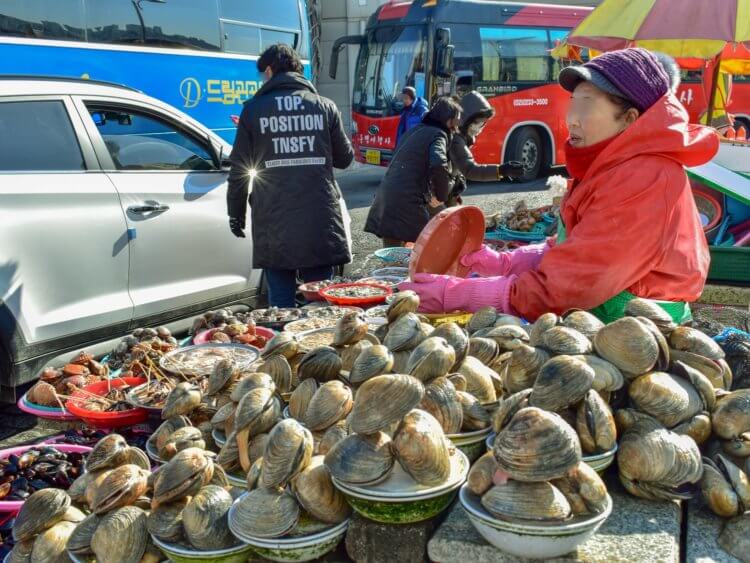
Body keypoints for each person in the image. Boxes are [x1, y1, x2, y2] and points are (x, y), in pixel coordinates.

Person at [400, 48, 719, 323]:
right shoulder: (613, 162)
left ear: (630, 118)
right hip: (597, 316)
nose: (572, 119)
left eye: (587, 105)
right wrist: (506, 262)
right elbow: (576, 245)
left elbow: (570, 284)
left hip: (635, 330)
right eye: (573, 103)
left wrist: (457, 294)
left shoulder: (645, 175)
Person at [227, 44, 354, 307]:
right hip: (319, 218)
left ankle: (283, 346)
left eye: (263, 75)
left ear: (271, 70)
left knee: (281, 301)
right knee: (319, 296)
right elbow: (345, 158)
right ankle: (323, 346)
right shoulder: (325, 107)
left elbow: (239, 170)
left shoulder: (253, 110)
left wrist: (236, 213)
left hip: (274, 221)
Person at [364, 96, 462, 248]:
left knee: (393, 258)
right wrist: (441, 195)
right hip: (408, 202)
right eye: (456, 121)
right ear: (448, 120)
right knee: (436, 243)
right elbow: (438, 163)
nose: (456, 127)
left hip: (386, 198)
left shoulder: (415, 131)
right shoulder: (438, 134)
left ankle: (394, 270)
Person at [447, 91, 525, 206]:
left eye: (484, 123)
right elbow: (470, 169)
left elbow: (459, 168)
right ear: (468, 120)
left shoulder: (460, 134)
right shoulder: (456, 139)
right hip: (433, 196)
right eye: (480, 122)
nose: (481, 127)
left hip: (443, 192)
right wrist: (502, 170)